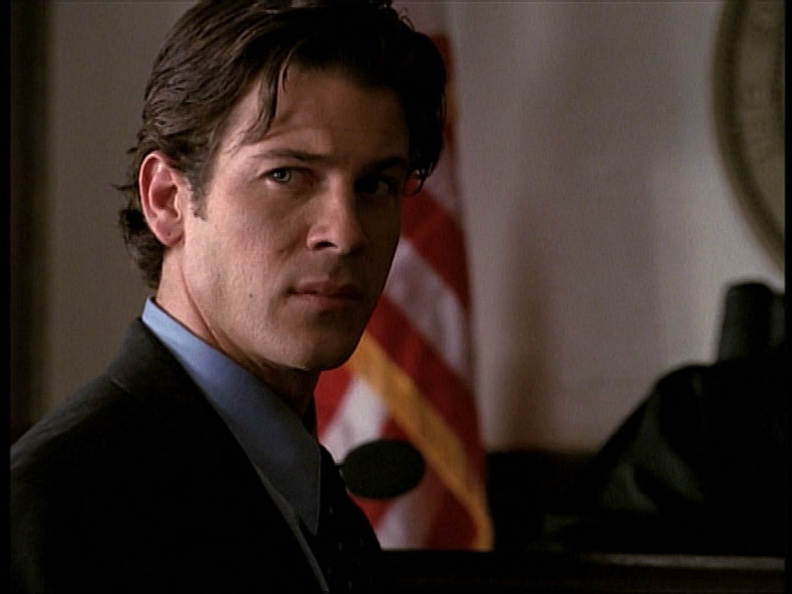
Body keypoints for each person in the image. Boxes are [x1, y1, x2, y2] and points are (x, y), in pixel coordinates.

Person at [10, 1, 446, 591]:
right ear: (167, 199)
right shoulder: (52, 513)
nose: (345, 234)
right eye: (286, 175)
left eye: (375, 185)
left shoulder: (325, 508)